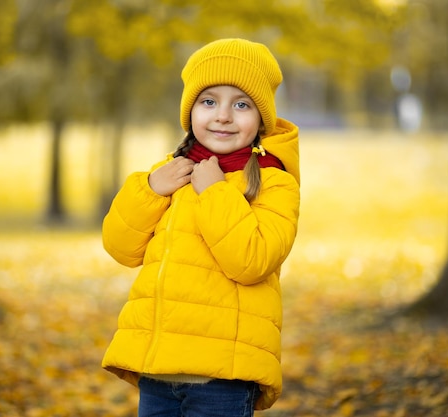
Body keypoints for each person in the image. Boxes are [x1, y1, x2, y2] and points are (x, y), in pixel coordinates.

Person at [101, 38, 301, 417]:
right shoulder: (171, 172)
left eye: (241, 104)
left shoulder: (275, 183)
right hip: (157, 370)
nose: (223, 115)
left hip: (222, 378)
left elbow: (251, 260)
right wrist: (150, 190)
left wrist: (215, 193)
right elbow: (120, 247)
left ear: (261, 117)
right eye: (209, 101)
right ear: (190, 110)